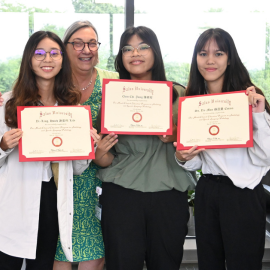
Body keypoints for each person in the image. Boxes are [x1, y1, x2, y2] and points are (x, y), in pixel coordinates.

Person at [93, 26, 196, 270]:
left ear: (155, 53)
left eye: (143, 47)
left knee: (166, 264)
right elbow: (107, 159)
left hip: (169, 196)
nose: (134, 53)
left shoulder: (180, 95)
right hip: (122, 195)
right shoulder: (112, 98)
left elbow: (198, 148)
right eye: (127, 48)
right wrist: (98, 154)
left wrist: (175, 137)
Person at [0, 31, 97, 270]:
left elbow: (74, 169)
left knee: (42, 264)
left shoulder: (71, 109)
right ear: (29, 60)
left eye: (54, 53)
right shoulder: (7, 104)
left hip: (52, 199)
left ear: (63, 59)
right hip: (14, 201)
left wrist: (87, 148)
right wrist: (2, 146)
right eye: (39, 53)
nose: (47, 59)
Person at [174, 28, 270, 270]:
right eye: (203, 53)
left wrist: (258, 115)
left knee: (244, 265)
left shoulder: (249, 98)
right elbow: (200, 161)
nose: (210, 60)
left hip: (244, 195)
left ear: (230, 58)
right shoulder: (194, 100)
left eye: (218, 53)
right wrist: (182, 157)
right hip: (207, 191)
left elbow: (266, 156)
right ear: (195, 58)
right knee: (209, 264)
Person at [53, 21, 118, 270]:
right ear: (65, 48)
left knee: (95, 257)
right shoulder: (51, 81)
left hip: (100, 182)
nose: (86, 49)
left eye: (92, 43)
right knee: (58, 255)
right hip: (59, 182)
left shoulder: (113, 81)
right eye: (78, 43)